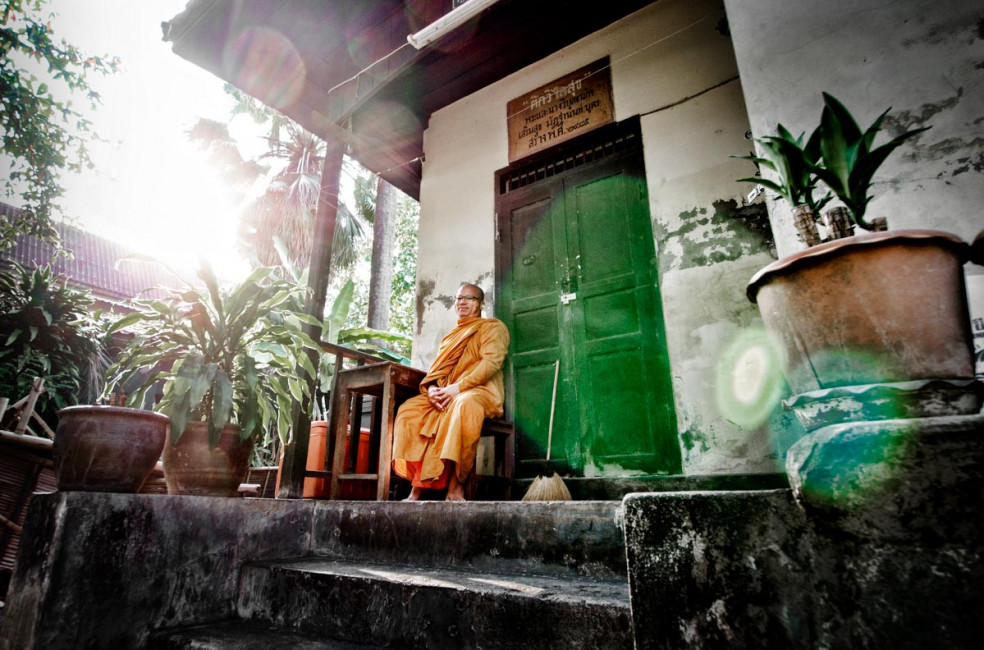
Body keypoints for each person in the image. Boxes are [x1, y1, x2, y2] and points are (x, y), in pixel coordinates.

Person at [392, 282, 509, 501]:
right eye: (459, 298)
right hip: (447, 393)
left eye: (470, 298)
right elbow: (436, 372)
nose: (462, 302)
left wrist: (456, 389)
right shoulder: (450, 337)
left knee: (463, 405)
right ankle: (418, 487)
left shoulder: (493, 328)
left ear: (482, 304)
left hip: (479, 391)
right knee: (410, 410)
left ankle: (456, 487)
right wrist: (434, 390)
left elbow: (492, 362)